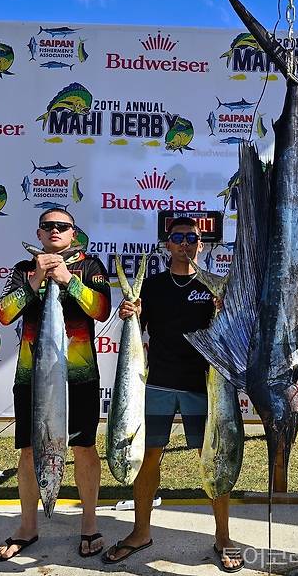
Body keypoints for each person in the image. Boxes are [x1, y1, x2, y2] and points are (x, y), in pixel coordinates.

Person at [102, 217, 243, 571]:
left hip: (205, 384)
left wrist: (224, 310)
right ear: (168, 244)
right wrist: (129, 313)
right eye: (177, 238)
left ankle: (223, 537)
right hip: (159, 383)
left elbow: (231, 333)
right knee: (148, 456)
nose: (184, 243)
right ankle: (140, 531)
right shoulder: (151, 286)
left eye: (191, 238)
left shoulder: (215, 286)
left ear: (201, 244)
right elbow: (138, 327)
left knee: (214, 458)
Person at [0, 209, 111, 561]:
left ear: (74, 234)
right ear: (39, 234)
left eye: (63, 227)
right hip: (33, 379)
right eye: (49, 227)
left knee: (84, 448)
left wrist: (67, 280)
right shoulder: (22, 270)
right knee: (29, 450)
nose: (55, 231)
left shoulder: (91, 268)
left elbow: (101, 309)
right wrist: (36, 281)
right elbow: (3, 313)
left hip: (80, 378)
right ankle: (28, 527)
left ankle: (89, 524)